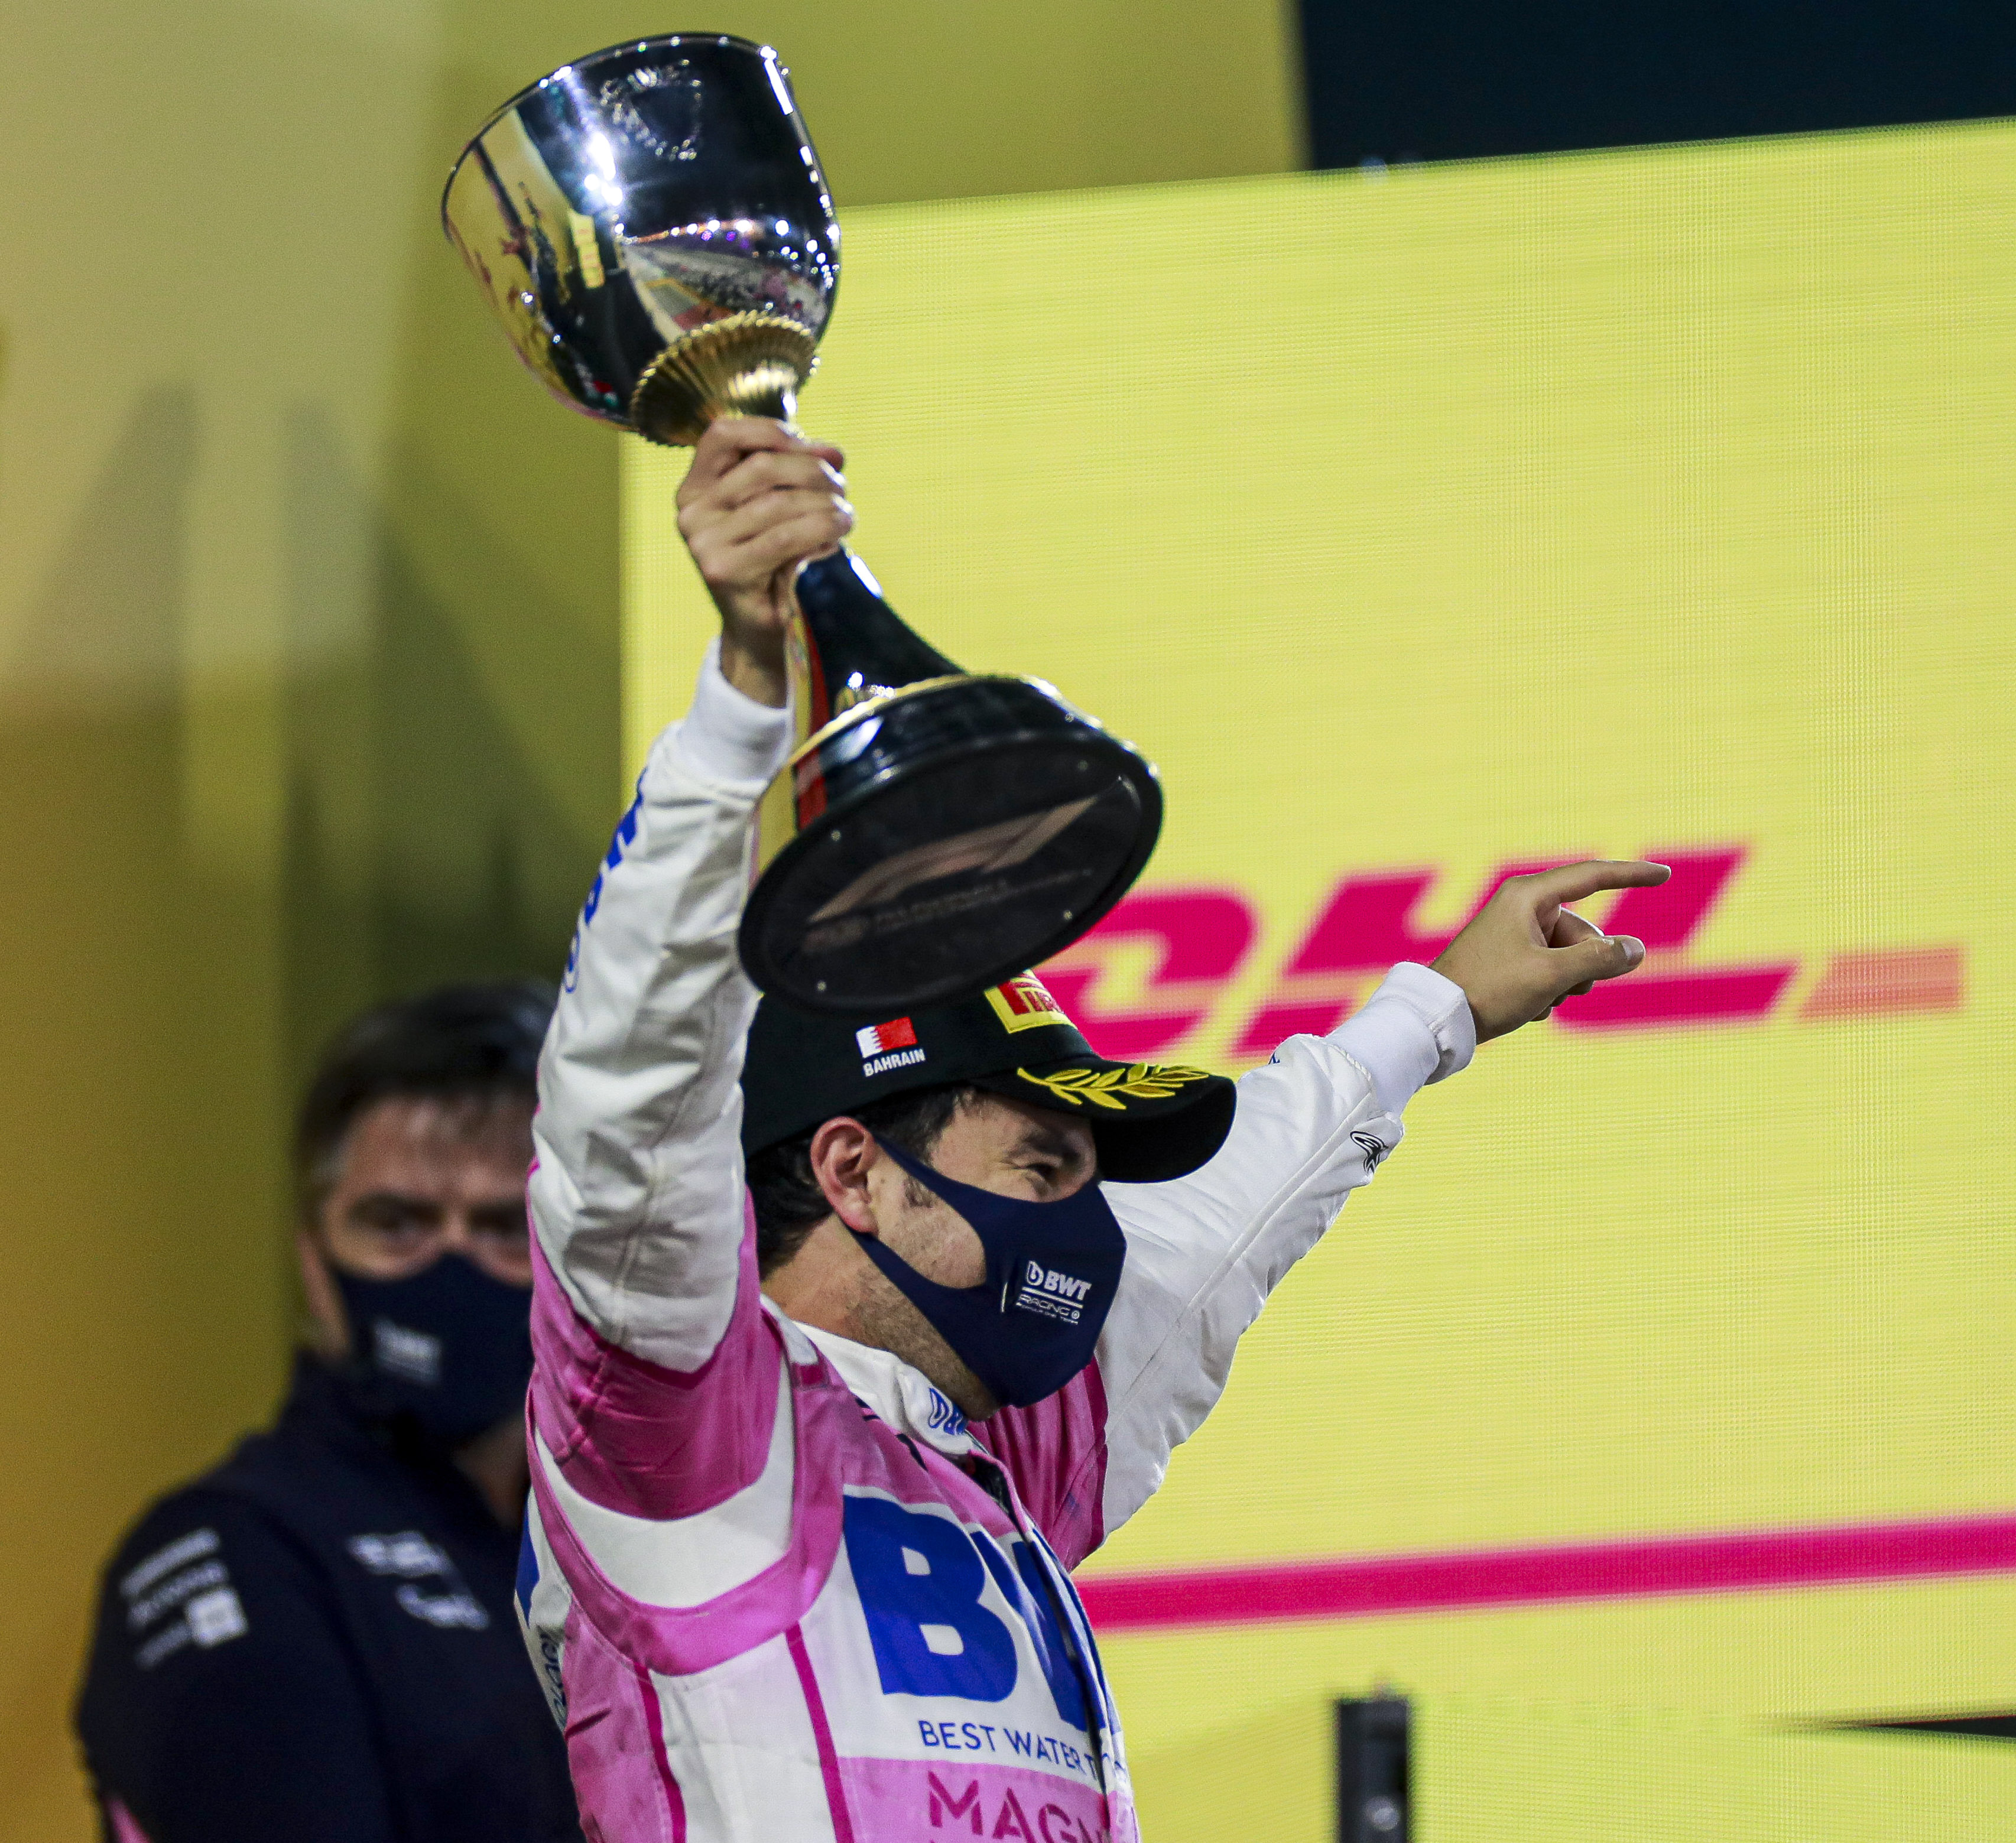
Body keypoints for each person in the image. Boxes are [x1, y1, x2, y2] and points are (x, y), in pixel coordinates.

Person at [515, 416, 1665, 1841]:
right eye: (1042, 1167)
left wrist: (1434, 1013)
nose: (1083, 1226)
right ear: (853, 1170)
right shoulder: (681, 1435)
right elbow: (629, 1108)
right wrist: (739, 710)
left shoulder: (1018, 1454)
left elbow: (1234, 1205)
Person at [76, 983, 583, 1843]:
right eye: (396, 1222)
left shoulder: (621, 1548)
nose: (450, 1264)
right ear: (312, 1256)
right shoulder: (240, 1550)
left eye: (504, 1226)